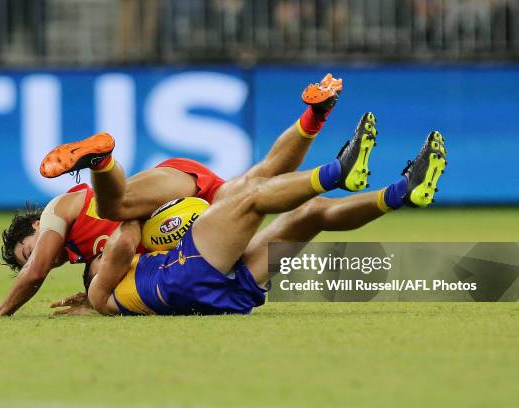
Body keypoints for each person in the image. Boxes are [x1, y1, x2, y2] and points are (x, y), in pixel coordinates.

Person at [0, 73, 343, 317]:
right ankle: (314, 115)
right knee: (259, 180)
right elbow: (129, 271)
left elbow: (35, 274)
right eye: (34, 258)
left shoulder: (57, 212)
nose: (41, 260)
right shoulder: (85, 256)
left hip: (165, 189)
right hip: (188, 212)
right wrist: (96, 297)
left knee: (117, 204)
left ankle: (100, 161)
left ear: (35, 226)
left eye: (29, 248)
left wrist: (3, 309)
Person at [82, 118, 447, 316]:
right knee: (252, 196)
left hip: (225, 296)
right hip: (187, 274)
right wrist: (132, 216)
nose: (102, 250)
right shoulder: (101, 291)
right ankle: (336, 173)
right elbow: (123, 242)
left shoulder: (136, 277)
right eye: (94, 260)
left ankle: (401, 192)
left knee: (310, 215)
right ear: (91, 277)